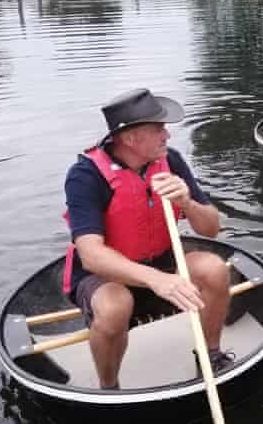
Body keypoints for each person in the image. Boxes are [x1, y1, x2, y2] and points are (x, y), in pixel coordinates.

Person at [62, 88, 231, 390]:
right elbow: (90, 255)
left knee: (216, 270)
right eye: (158, 129)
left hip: (161, 261)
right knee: (115, 309)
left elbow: (211, 230)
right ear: (129, 139)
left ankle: (210, 354)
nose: (167, 135)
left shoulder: (171, 161)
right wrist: (156, 280)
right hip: (104, 276)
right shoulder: (85, 176)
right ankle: (109, 387)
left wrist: (188, 203)